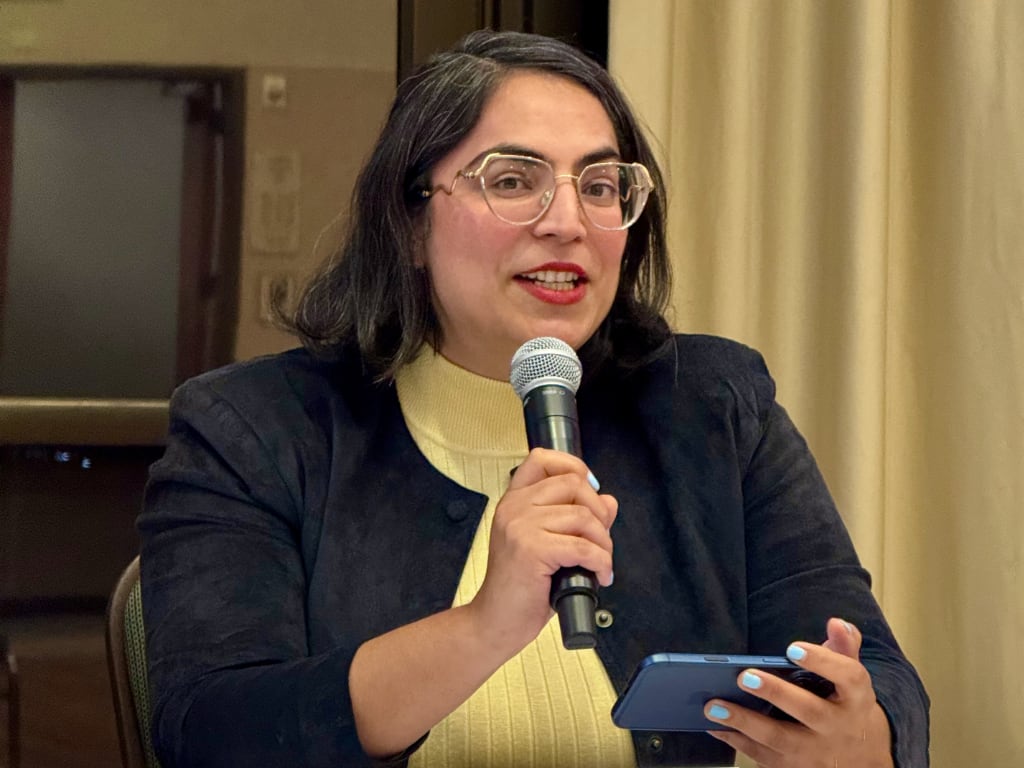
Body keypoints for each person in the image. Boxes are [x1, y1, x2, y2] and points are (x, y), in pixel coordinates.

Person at [138, 29, 929, 768]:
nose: (567, 222)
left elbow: (881, 680)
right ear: (409, 223)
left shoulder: (715, 407)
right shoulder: (257, 430)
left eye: (600, 186)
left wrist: (861, 736)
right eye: (514, 180)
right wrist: (485, 627)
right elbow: (210, 729)